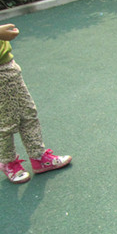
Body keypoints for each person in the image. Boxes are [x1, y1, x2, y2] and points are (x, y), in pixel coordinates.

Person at [0, 23, 71, 184]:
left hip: (8, 65)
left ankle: (38, 157)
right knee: (6, 122)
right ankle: (8, 162)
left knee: (28, 113)